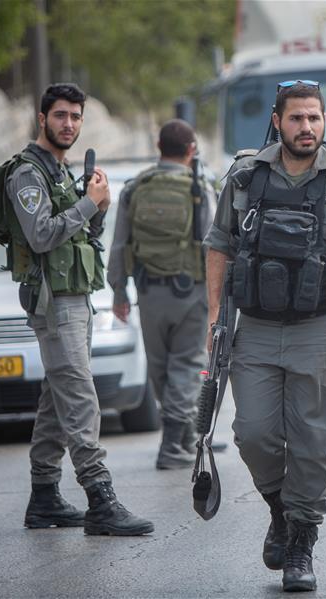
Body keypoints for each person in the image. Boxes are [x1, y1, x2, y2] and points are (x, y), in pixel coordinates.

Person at [203, 81, 326, 592]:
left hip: (321, 328)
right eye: (297, 118)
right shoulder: (244, 177)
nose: (307, 127)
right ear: (277, 122)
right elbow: (219, 245)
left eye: (315, 118)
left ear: (324, 121)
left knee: (313, 440)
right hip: (256, 329)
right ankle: (280, 508)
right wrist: (216, 318)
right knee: (253, 433)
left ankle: (301, 540)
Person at [1, 83, 154, 536]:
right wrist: (90, 203)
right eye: (60, 115)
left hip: (77, 297)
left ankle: (44, 495)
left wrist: (98, 204)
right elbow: (41, 235)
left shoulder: (60, 171)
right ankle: (100, 498)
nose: (68, 124)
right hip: (54, 302)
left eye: (75, 116)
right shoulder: (27, 174)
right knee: (81, 397)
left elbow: (84, 235)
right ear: (42, 118)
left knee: (57, 396)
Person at [107, 119, 221, 470]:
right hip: (192, 293)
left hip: (148, 293)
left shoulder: (135, 188)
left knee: (160, 368)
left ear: (158, 147)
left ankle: (184, 437)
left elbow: (120, 244)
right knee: (188, 365)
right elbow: (214, 245)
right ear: (191, 150)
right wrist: (219, 299)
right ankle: (173, 445)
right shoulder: (199, 188)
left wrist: (118, 292)